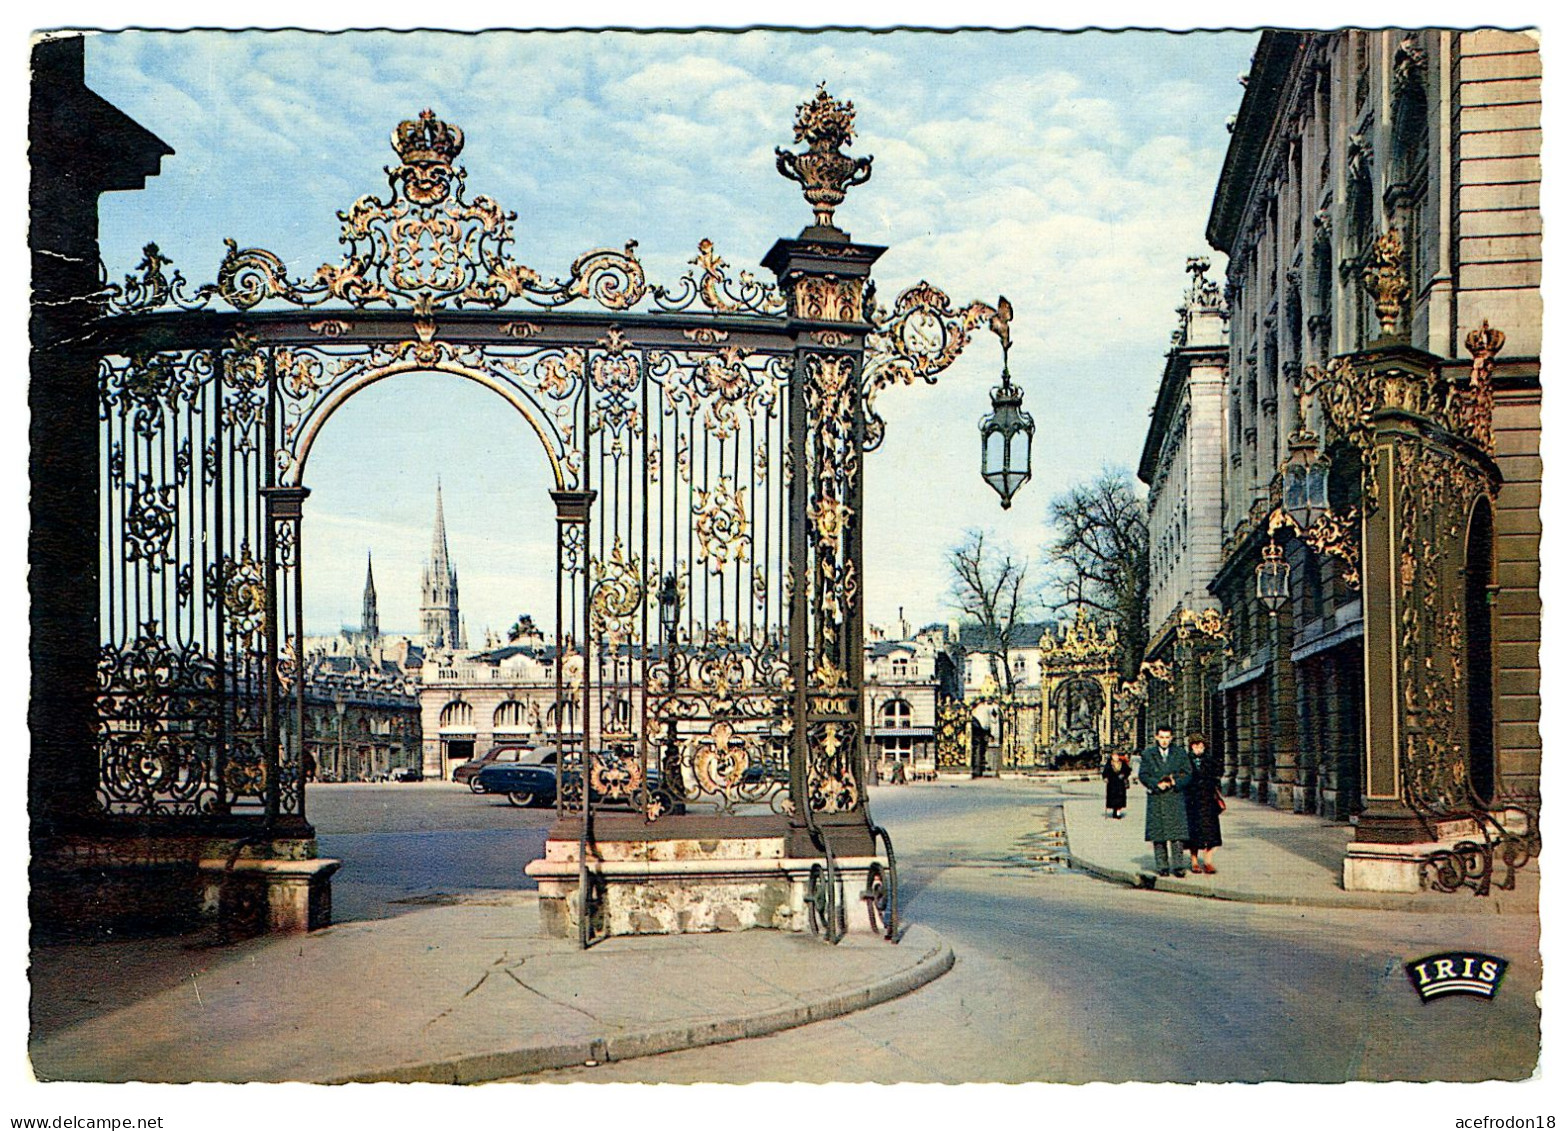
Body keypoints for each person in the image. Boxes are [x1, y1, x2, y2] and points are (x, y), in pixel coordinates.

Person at [1138, 724, 1193, 877]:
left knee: (1177, 835)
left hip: (1175, 797)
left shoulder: (1180, 753)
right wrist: (1156, 784)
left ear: (1172, 738)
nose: (1164, 741)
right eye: (1161, 737)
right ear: (1156, 737)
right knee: (1159, 834)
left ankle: (1178, 866)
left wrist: (1174, 781)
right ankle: (1162, 866)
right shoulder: (1148, 754)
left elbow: (1188, 773)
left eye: (1167, 738)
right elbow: (1143, 774)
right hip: (1157, 797)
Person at [1183, 732, 1224, 874]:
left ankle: (1208, 861)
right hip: (1192, 802)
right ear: (1191, 747)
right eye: (1196, 746)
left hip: (1208, 801)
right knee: (1194, 834)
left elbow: (1216, 777)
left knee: (1211, 833)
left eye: (1201, 746)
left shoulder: (1210, 761)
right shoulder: (1186, 761)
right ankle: (1194, 861)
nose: (1199, 749)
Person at [1101, 750, 1131, 818]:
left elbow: (1128, 770)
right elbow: (1105, 772)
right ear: (1112, 756)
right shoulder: (1109, 764)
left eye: (1117, 756)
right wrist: (1105, 777)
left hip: (1120, 783)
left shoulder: (1122, 763)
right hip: (1112, 783)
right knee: (1113, 798)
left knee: (1120, 798)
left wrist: (1124, 775)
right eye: (1114, 756)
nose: (1116, 757)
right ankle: (1115, 810)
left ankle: (1118, 812)